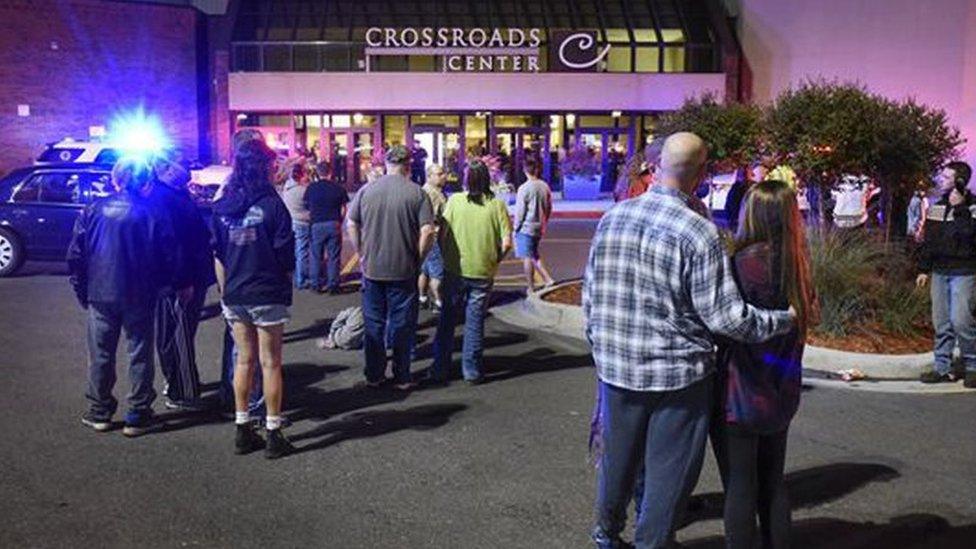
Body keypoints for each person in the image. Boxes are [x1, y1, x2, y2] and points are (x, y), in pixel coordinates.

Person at [583, 132, 796, 549]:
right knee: (668, 474)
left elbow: (591, 295)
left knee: (619, 460)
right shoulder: (699, 234)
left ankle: (606, 534)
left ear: (657, 165)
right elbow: (727, 318)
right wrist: (783, 320)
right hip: (676, 376)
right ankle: (652, 542)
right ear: (699, 175)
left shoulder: (612, 218)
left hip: (617, 367)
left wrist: (601, 346)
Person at [714, 179, 818, 549]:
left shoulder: (743, 261)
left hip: (740, 389)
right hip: (782, 386)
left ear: (751, 213)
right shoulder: (799, 263)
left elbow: (727, 323)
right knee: (773, 481)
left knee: (740, 485)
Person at [67, 157, 179, 437]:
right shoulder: (152, 212)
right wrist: (165, 287)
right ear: (144, 182)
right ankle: (138, 413)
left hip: (101, 292)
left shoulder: (93, 209)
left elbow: (76, 255)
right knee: (140, 353)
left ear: (115, 180)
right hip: (140, 292)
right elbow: (168, 255)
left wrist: (83, 290)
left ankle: (99, 410)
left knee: (100, 354)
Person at [211, 139, 297, 458]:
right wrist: (284, 286)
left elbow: (218, 255)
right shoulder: (274, 206)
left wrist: (224, 292)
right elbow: (286, 256)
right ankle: (273, 432)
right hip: (266, 291)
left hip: (234, 292)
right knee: (271, 362)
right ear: (263, 167)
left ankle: (242, 428)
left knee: (243, 360)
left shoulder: (222, 207)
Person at [346, 144, 436, 390]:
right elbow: (428, 231)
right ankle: (401, 375)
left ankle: (374, 374)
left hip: (373, 268)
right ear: (408, 165)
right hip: (403, 269)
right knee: (402, 324)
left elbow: (351, 223)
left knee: (374, 323)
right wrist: (418, 258)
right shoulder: (417, 193)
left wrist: (361, 251)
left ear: (386, 164)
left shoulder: (367, 191)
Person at [430, 160, 513, 385]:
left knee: (447, 320)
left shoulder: (455, 201)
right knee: (474, 321)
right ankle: (472, 370)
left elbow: (442, 233)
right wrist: (495, 260)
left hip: (455, 268)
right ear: (488, 179)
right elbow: (506, 242)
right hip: (483, 271)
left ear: (466, 180)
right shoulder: (497, 205)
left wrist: (445, 255)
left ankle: (440, 368)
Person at [149, 149, 216, 410]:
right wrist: (182, 281)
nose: (187, 169)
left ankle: (176, 383)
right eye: (182, 164)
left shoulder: (175, 194)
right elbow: (171, 245)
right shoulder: (164, 198)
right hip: (179, 281)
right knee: (178, 337)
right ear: (166, 167)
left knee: (179, 334)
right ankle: (183, 391)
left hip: (189, 276)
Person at [916, 161, 976, 388]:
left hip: (964, 272)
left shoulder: (972, 208)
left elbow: (970, 237)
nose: (940, 179)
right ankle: (943, 368)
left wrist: (960, 209)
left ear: (959, 181)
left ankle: (972, 367)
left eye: (946, 176)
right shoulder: (936, 207)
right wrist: (924, 268)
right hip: (940, 272)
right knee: (942, 323)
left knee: (961, 321)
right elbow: (930, 242)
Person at [304, 160, 349, 294]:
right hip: (333, 223)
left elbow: (307, 207)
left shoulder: (311, 188)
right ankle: (333, 285)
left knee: (316, 255)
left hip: (317, 224)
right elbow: (343, 208)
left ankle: (316, 284)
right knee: (333, 256)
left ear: (317, 172)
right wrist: (340, 221)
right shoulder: (338, 188)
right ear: (330, 172)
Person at [514, 154, 555, 292]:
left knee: (527, 257)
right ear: (537, 169)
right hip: (539, 226)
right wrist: (545, 222)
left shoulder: (524, 188)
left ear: (525, 170)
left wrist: (515, 228)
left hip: (526, 227)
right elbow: (549, 207)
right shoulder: (545, 187)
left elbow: (520, 212)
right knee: (534, 254)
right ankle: (548, 279)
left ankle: (531, 286)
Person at [419, 163, 449, 310]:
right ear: (429, 176)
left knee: (424, 270)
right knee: (437, 273)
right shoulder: (432, 194)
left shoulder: (428, 191)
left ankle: (422, 297)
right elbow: (435, 218)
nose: (444, 176)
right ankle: (439, 302)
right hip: (434, 237)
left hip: (425, 236)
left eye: (443, 173)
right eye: (439, 174)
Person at [281, 161, 312, 289]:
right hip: (302, 223)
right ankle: (301, 279)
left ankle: (295, 276)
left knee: (295, 251)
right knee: (302, 252)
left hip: (291, 221)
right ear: (301, 175)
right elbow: (310, 206)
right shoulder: (303, 191)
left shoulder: (287, 188)